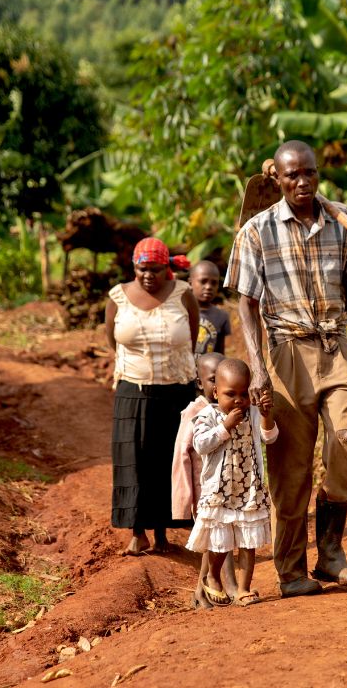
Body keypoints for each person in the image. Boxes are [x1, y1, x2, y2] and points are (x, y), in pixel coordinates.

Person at [225, 140, 347, 598]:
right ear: (280, 180)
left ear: (317, 173)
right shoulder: (257, 230)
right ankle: (292, 572)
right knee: (290, 473)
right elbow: (246, 303)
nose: (303, 182)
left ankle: (331, 552)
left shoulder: (341, 219)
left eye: (309, 173)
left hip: (336, 346)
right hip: (286, 352)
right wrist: (259, 367)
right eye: (293, 176)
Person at [105, 237, 199, 556]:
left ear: (166, 268)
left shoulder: (183, 294)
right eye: (142, 269)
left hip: (177, 390)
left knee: (169, 460)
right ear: (134, 267)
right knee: (134, 459)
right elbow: (112, 341)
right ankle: (138, 532)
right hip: (133, 389)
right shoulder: (117, 296)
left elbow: (191, 337)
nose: (149, 276)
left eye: (156, 270)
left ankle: (162, 535)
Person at [186, 358, 278, 606]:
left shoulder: (254, 414)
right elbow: (200, 444)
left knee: (249, 543)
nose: (238, 400)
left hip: (248, 489)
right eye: (230, 394)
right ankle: (213, 577)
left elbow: (269, 438)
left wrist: (267, 416)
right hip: (220, 491)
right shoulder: (208, 415)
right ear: (216, 392)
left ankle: (243, 589)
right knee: (220, 541)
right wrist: (225, 426)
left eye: (243, 394)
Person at [170, 351, 239, 609]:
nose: (218, 386)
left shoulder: (229, 409)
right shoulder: (195, 412)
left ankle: (205, 592)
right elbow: (181, 457)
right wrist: (183, 500)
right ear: (200, 383)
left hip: (227, 487)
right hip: (203, 492)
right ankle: (206, 590)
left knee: (220, 540)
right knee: (212, 543)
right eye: (212, 380)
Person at [190, 260, 232, 355]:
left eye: (214, 283)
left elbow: (219, 354)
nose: (208, 287)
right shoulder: (180, 311)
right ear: (190, 283)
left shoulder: (221, 316)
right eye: (203, 281)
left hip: (206, 368)